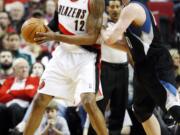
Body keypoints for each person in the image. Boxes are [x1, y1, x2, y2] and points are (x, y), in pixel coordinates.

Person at [23, 0, 108, 135]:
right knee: (40, 101)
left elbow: (92, 38)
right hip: (62, 54)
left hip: (86, 57)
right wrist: (42, 32)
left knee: (89, 102)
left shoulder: (95, 2)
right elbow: (56, 22)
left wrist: (55, 36)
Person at [102, 0, 180, 135]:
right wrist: (104, 37)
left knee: (173, 108)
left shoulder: (132, 8)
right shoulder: (127, 10)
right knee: (141, 110)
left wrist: (100, 27)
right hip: (142, 67)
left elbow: (110, 38)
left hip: (156, 64)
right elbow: (128, 46)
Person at [88, 0, 131, 134]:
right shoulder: (102, 23)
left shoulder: (127, 24)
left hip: (123, 69)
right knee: (99, 107)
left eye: (117, 6)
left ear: (121, 8)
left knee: (119, 108)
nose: (115, 9)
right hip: (105, 69)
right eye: (112, 6)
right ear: (107, 8)